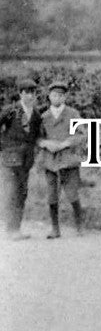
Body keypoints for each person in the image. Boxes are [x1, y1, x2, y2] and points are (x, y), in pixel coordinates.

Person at [38, 79, 86, 238]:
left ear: (65, 97)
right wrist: (46, 144)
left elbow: (81, 134)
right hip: (50, 161)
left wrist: (65, 143)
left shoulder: (73, 114)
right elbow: (37, 137)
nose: (57, 98)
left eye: (60, 95)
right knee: (52, 196)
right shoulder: (44, 117)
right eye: (54, 95)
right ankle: (55, 229)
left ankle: (79, 226)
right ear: (49, 96)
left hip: (68, 160)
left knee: (73, 194)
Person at [0, 77, 42, 239]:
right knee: (11, 192)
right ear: (20, 94)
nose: (30, 96)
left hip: (26, 160)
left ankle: (16, 229)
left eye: (33, 93)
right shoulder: (11, 110)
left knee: (22, 193)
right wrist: (3, 146)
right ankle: (10, 230)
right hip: (10, 159)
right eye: (27, 92)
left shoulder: (36, 114)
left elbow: (35, 136)